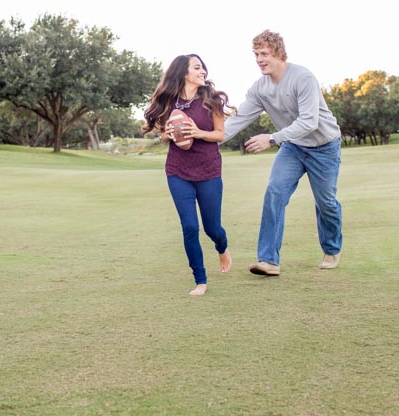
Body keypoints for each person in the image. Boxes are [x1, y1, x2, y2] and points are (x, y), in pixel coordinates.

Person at [223, 30, 343, 276]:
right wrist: (208, 141)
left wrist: (272, 138)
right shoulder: (260, 88)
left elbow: (309, 121)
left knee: (326, 203)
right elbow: (238, 119)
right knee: (275, 192)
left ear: (279, 54)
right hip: (294, 147)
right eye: (256, 54)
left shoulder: (303, 78)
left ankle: (331, 249)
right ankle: (268, 260)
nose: (259, 59)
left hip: (324, 146)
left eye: (264, 53)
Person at [142, 54, 234, 296]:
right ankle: (200, 280)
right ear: (184, 73)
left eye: (202, 67)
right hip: (177, 171)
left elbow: (220, 134)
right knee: (190, 227)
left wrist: (197, 132)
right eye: (196, 67)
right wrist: (169, 134)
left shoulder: (211, 100)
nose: (202, 70)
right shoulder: (169, 102)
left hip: (209, 170)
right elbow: (163, 134)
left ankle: (222, 248)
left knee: (212, 228)